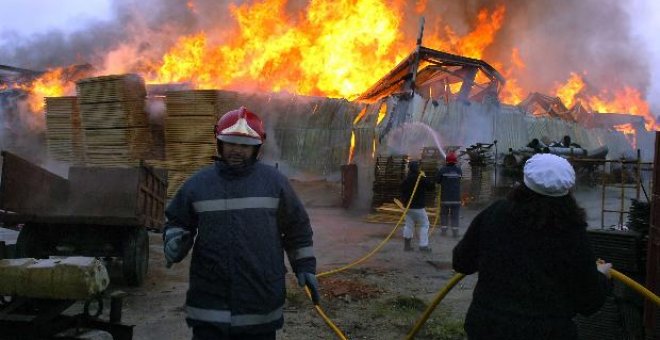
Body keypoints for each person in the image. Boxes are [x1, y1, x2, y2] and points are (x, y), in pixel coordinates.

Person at [163, 107, 320, 340]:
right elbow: (177, 221)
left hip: (260, 303)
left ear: (256, 148)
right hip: (210, 305)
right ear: (219, 143)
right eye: (230, 143)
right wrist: (174, 241)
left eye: (244, 146)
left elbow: (296, 228)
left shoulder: (275, 184)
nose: (237, 150)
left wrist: (305, 266)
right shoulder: (197, 185)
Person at [453, 153, 611, 340]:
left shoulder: (495, 213)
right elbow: (589, 303)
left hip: (488, 328)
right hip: (547, 332)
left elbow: (462, 262)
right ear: (568, 190)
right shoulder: (572, 231)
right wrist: (601, 275)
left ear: (524, 182)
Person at [400, 160, 435, 252]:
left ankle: (406, 246)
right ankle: (423, 246)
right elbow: (431, 187)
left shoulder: (406, 179)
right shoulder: (421, 178)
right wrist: (425, 177)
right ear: (418, 168)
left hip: (407, 207)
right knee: (425, 224)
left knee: (408, 226)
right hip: (418, 207)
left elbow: (401, 189)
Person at [436, 151, 462, 237]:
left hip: (445, 198)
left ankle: (444, 232)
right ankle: (455, 233)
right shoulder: (459, 170)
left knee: (444, 215)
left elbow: (437, 181)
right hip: (456, 198)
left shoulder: (442, 170)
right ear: (455, 161)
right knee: (455, 216)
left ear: (446, 161)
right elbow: (459, 180)